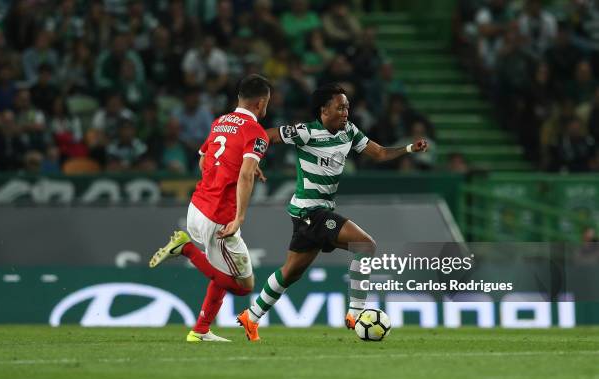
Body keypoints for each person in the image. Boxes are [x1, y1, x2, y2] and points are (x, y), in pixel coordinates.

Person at [236, 84, 428, 341]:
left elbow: (379, 153)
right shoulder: (305, 132)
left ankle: (251, 316)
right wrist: (252, 160)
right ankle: (356, 313)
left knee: (291, 272)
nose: (346, 111)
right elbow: (266, 135)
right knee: (365, 246)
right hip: (310, 211)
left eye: (347, 106)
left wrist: (408, 149)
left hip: (316, 212)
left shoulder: (348, 132)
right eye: (340, 107)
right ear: (324, 110)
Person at [148, 74, 272, 342]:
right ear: (261, 104)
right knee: (244, 287)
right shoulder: (256, 132)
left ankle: (201, 330)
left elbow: (205, 159)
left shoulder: (220, 122)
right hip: (220, 215)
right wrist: (239, 217)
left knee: (220, 272)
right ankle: (186, 249)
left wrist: (235, 168)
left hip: (198, 206)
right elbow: (246, 175)